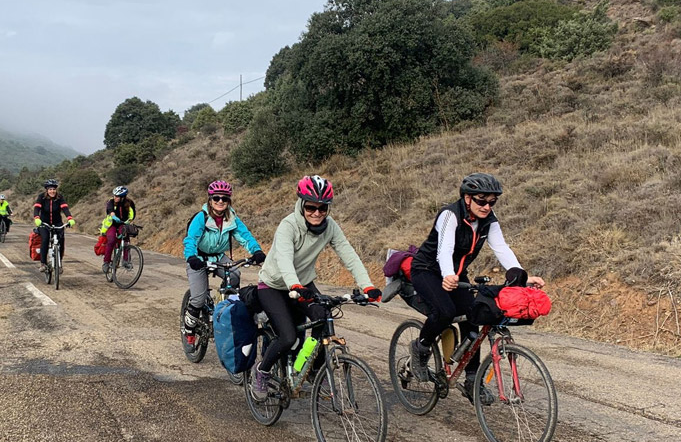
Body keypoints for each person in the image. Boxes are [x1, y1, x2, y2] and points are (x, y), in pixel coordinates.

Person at [399, 172, 545, 405]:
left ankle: (471, 380)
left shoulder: (489, 220)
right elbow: (444, 250)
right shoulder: (450, 214)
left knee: (474, 316)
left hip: (456, 274)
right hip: (427, 269)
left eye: (491, 202)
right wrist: (447, 274)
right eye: (481, 201)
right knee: (445, 312)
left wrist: (521, 275)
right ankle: (421, 347)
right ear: (467, 198)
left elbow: (502, 248)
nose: (487, 206)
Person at [250, 175, 381, 401]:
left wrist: (367, 285)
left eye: (323, 208)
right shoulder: (288, 225)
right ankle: (261, 371)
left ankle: (309, 368)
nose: (317, 213)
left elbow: (348, 254)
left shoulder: (330, 227)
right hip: (274, 285)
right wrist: (294, 284)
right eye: (311, 207)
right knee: (288, 336)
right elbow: (284, 259)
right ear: (302, 204)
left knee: (323, 316)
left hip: (303, 284)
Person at [182, 180, 267, 346]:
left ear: (229, 201)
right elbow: (191, 239)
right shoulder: (202, 218)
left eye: (224, 198)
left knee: (235, 274)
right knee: (198, 299)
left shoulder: (232, 219)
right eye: (216, 198)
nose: (220, 201)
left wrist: (256, 251)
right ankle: (189, 328)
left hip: (218, 256)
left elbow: (245, 237)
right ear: (210, 200)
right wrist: (192, 257)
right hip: (198, 257)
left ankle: (222, 308)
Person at [33, 180, 75, 270]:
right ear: (47, 190)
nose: (52, 191)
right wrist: (36, 218)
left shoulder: (60, 197)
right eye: (50, 189)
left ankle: (59, 263)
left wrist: (70, 218)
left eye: (54, 189)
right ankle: (43, 263)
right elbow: (37, 208)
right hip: (44, 222)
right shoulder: (41, 197)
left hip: (57, 223)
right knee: (45, 239)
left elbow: (65, 208)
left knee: (61, 241)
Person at [99, 186, 135, 274]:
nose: (115, 197)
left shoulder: (130, 203)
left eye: (117, 196)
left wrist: (128, 221)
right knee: (111, 240)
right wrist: (113, 216)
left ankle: (126, 261)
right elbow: (110, 210)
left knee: (126, 240)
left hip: (123, 224)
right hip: (112, 224)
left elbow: (133, 214)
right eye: (115, 195)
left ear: (123, 197)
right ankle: (106, 262)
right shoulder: (111, 202)